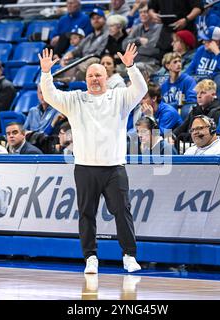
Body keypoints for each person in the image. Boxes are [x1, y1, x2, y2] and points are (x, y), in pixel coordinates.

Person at [39, 43, 147, 274]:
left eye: (98, 74)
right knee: (86, 214)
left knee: (122, 212)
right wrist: (46, 73)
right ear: (85, 78)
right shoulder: (75, 100)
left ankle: (129, 255)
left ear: (106, 77)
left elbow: (141, 89)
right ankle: (90, 258)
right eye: (90, 75)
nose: (94, 79)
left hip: (114, 168)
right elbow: (49, 95)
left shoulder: (120, 97)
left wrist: (131, 67)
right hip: (85, 168)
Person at [60, 8, 109, 81]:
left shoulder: (107, 35)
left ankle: (70, 80)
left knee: (83, 64)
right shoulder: (89, 36)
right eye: (93, 18)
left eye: (98, 18)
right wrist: (66, 57)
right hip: (83, 61)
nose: (96, 20)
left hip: (95, 61)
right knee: (68, 62)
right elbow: (77, 50)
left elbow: (99, 53)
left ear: (104, 20)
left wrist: (79, 63)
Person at [122, 4, 162, 75]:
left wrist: (133, 50)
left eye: (145, 12)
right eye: (141, 12)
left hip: (151, 64)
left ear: (152, 14)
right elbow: (124, 45)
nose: (143, 14)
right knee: (119, 69)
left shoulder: (159, 28)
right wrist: (138, 41)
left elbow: (152, 49)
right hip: (135, 63)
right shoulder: (137, 27)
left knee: (134, 68)